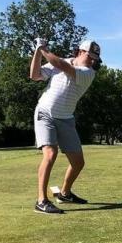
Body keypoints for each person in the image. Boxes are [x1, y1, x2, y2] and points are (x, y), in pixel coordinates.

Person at [29, 38, 102, 214]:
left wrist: (42, 48)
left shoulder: (88, 73)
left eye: (95, 59)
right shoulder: (60, 62)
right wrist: (38, 52)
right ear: (79, 52)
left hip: (66, 118)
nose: (92, 61)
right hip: (45, 113)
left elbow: (63, 66)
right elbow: (35, 75)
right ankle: (41, 200)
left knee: (78, 163)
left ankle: (64, 193)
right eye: (90, 57)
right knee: (50, 153)